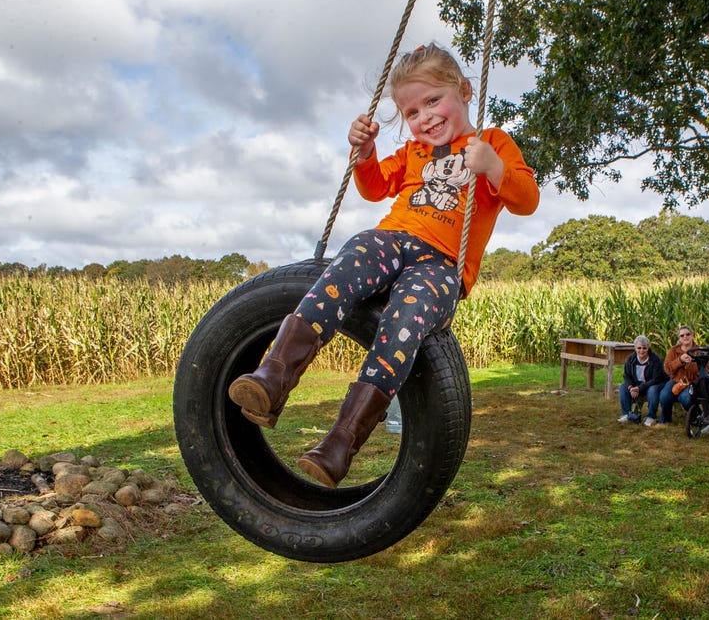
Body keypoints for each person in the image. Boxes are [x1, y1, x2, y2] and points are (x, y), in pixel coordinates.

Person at [227, 43, 540, 488]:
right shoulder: (414, 151)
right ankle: (274, 376)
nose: (424, 117)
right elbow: (374, 188)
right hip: (393, 240)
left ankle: (341, 441)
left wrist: (493, 168)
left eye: (433, 100)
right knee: (352, 257)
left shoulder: (492, 144)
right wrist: (365, 152)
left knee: (403, 325)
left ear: (465, 91)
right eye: (412, 111)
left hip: (441, 265)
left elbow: (527, 200)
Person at [617, 335, 669, 424]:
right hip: (637, 384)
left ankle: (651, 416)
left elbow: (656, 379)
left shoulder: (655, 359)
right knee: (622, 387)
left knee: (652, 390)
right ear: (635, 348)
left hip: (654, 384)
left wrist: (639, 388)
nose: (642, 351)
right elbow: (627, 375)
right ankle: (627, 414)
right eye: (639, 348)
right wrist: (631, 387)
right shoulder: (631, 359)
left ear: (648, 348)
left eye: (644, 348)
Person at [656, 325, 699, 424]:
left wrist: (692, 361)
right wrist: (680, 360)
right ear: (679, 338)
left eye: (688, 334)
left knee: (685, 398)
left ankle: (696, 417)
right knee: (664, 396)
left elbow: (702, 370)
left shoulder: (699, 350)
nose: (685, 337)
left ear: (692, 335)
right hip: (676, 380)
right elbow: (667, 369)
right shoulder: (673, 350)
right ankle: (666, 419)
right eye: (682, 335)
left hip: (692, 382)